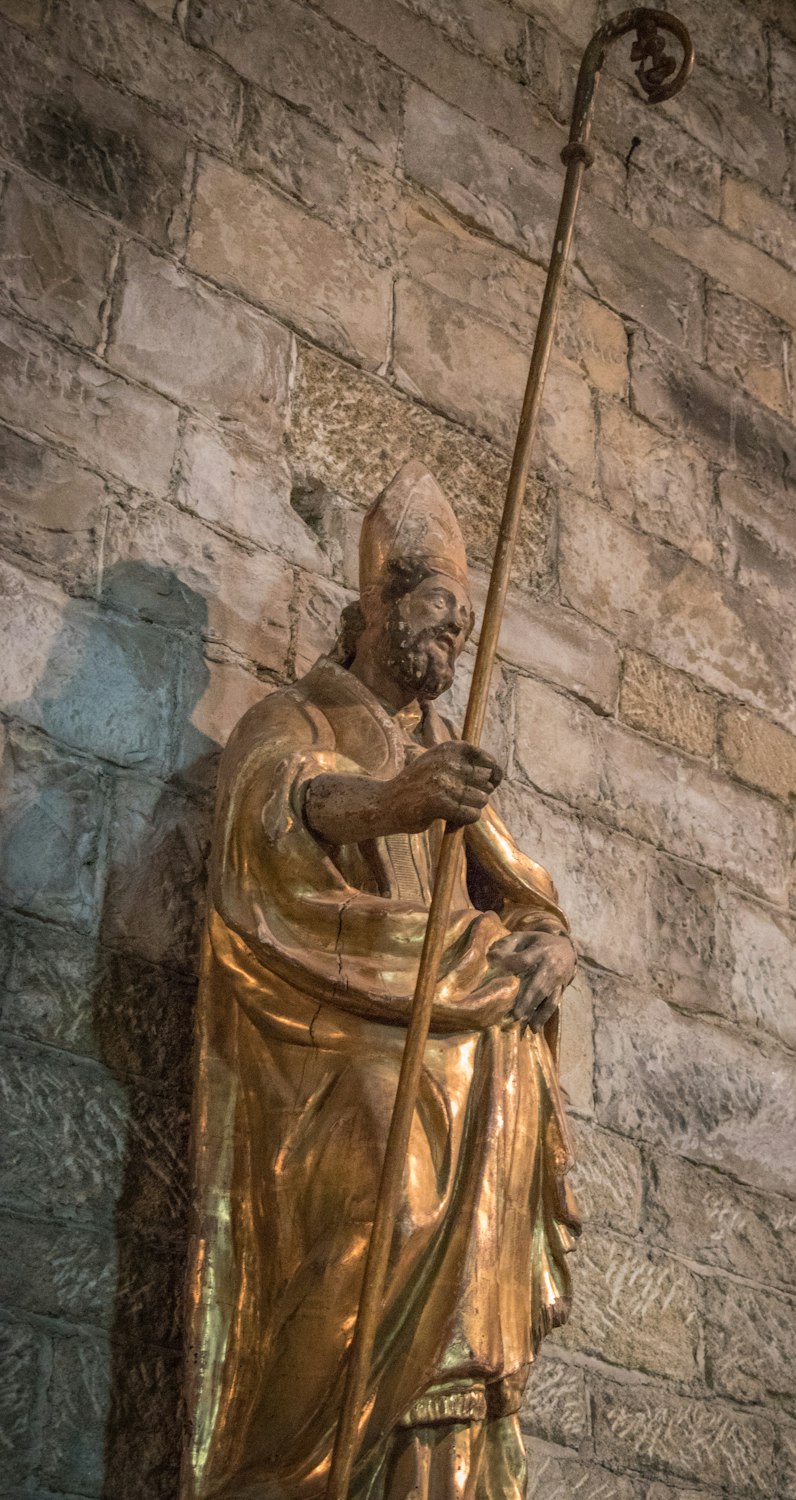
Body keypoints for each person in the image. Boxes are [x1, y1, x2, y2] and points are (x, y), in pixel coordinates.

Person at [184, 461, 579, 1500]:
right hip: (347, 1056)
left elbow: (526, 896)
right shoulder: (301, 718)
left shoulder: (447, 751)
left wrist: (550, 943)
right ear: (374, 610)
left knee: (457, 1348)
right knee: (376, 1240)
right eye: (433, 620)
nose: (448, 644)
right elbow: (277, 813)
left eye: (460, 628)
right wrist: (389, 802)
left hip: (467, 1076)